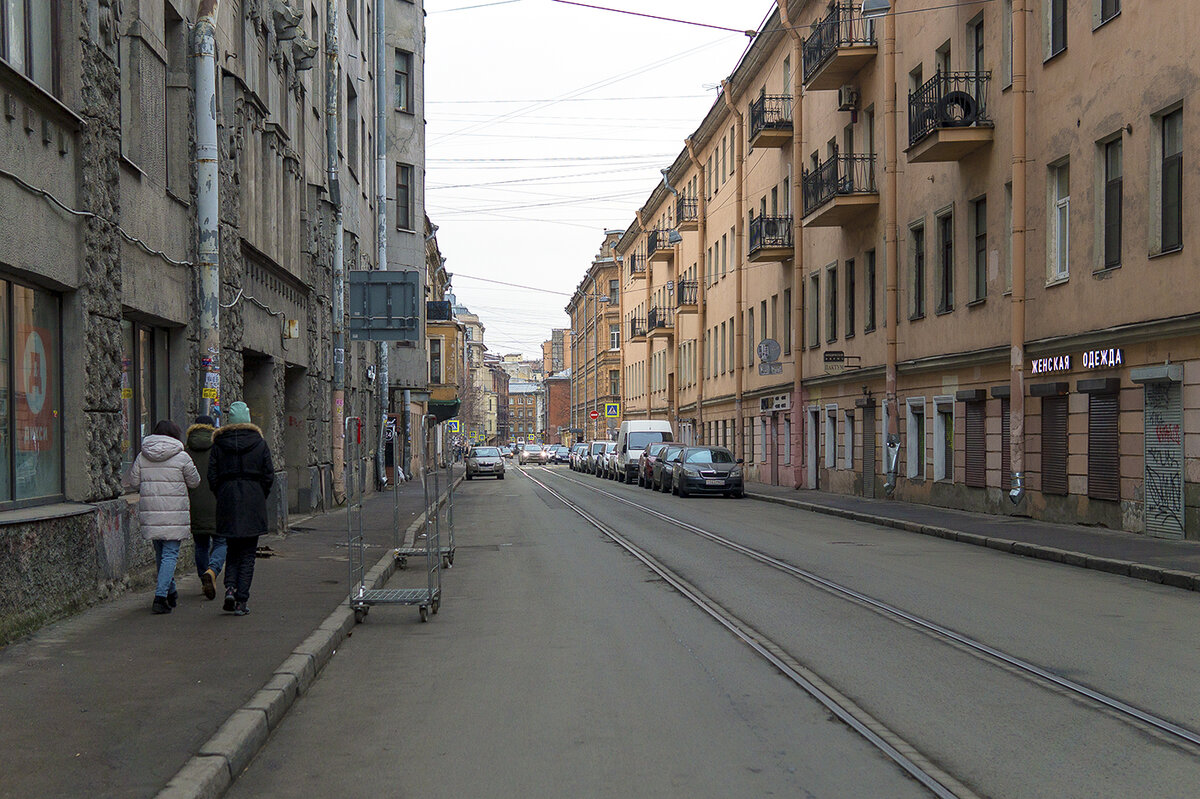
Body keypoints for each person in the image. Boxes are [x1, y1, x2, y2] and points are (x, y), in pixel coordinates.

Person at [123, 419, 201, 614]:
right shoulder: (182, 457)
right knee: (170, 554)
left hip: (151, 511)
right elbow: (195, 482)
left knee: (161, 553)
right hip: (174, 512)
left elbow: (133, 481)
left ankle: (170, 590)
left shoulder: (143, 456)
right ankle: (160, 597)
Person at [208, 401, 274, 616]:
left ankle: (230, 588)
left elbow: (212, 476)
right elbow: (268, 475)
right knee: (247, 554)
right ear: (248, 419)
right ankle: (241, 601)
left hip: (227, 500)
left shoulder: (219, 444)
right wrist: (258, 494)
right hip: (253, 501)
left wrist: (223, 494)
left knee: (232, 550)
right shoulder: (260, 443)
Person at [186, 415, 224, 600]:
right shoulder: (218, 447)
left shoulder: (186, 450)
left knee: (200, 545)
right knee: (221, 541)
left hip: (194, 505)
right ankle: (213, 570)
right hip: (217, 503)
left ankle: (204, 580)